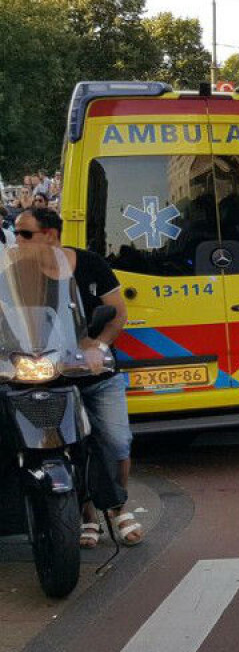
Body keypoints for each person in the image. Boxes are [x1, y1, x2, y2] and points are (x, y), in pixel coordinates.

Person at [14, 208, 140, 548]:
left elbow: (118, 313)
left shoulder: (90, 264)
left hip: (95, 372)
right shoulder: (15, 273)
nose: (17, 241)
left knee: (116, 442)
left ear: (51, 235)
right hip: (51, 376)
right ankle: (88, 519)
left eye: (25, 234)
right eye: (16, 234)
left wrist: (98, 345)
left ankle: (118, 507)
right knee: (68, 446)